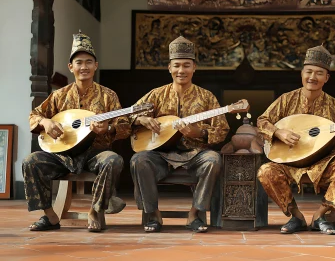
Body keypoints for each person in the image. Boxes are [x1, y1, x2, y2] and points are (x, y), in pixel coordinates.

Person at [23, 31, 131, 232]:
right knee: (31, 161)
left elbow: (125, 125)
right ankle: (50, 215)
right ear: (70, 67)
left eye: (89, 62)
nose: (84, 67)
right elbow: (34, 115)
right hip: (62, 154)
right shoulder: (59, 96)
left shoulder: (108, 96)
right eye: (79, 62)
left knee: (113, 160)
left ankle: (96, 211)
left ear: (95, 66)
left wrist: (108, 127)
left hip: (95, 154)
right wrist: (45, 122)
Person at [257, 45, 335, 235]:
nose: (312, 77)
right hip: (291, 163)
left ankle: (321, 215)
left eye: (319, 73)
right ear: (301, 74)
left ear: (326, 78)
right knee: (265, 171)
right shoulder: (286, 100)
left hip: (325, 163)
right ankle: (296, 217)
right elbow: (261, 121)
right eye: (308, 71)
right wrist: (278, 132)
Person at [130, 36, 230, 233]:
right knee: (138, 160)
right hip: (160, 155)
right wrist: (141, 120)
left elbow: (222, 130)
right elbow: (126, 117)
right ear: (169, 68)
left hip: (194, 155)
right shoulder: (156, 95)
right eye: (177, 65)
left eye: (186, 65)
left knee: (213, 159)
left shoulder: (206, 97)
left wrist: (200, 132)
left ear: (194, 68)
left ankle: (195, 213)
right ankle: (153, 213)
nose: (181, 70)